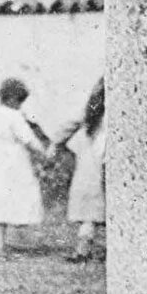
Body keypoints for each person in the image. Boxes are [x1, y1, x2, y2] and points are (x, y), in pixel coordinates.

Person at [0, 77, 48, 258]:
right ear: (13, 99)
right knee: (12, 194)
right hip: (10, 160)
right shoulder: (13, 116)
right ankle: (2, 244)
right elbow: (28, 139)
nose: (20, 105)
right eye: (19, 101)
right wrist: (44, 152)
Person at [50, 77, 106, 261]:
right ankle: (85, 251)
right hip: (103, 165)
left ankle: (83, 250)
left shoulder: (92, 110)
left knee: (89, 215)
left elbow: (69, 125)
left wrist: (56, 142)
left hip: (91, 167)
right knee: (95, 213)